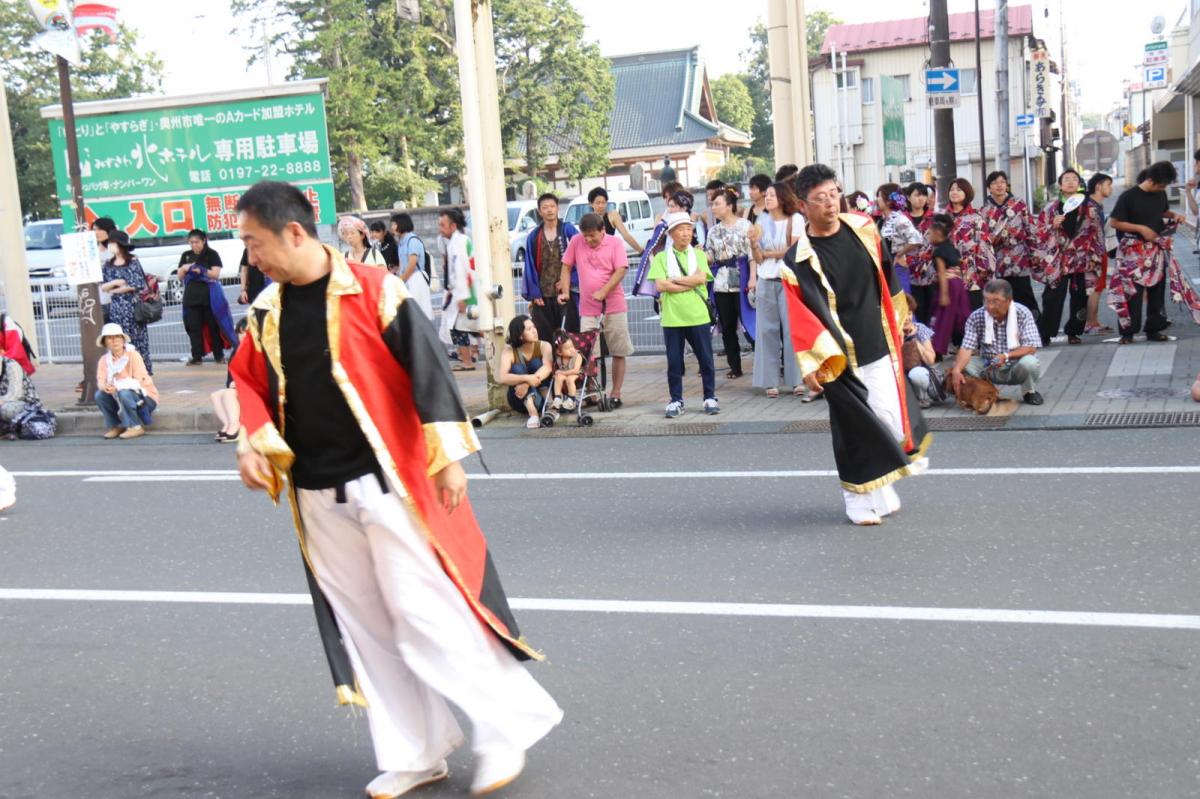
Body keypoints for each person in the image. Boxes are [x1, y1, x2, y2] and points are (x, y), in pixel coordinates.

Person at [230, 181, 562, 797]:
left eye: (254, 242)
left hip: (390, 481)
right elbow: (245, 381)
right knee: (369, 629)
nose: (250, 257)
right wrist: (252, 438)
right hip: (315, 493)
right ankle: (417, 750)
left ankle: (504, 728)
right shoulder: (266, 310)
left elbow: (428, 365)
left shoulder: (374, 289)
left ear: (294, 232)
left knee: (424, 613)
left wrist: (448, 459)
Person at [785, 164, 930, 526]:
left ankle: (879, 488)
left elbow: (886, 273)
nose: (831, 204)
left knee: (888, 420)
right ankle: (856, 498)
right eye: (820, 199)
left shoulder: (865, 228)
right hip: (836, 356)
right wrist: (813, 365)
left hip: (877, 341)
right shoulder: (798, 259)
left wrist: (902, 314)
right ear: (803, 205)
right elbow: (802, 317)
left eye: (834, 194)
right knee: (854, 428)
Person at [1108, 161, 1200, 343]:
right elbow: (1115, 222)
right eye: (1160, 185)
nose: (1162, 189)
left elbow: (1163, 211)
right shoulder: (1128, 197)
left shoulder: (1160, 194)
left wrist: (1174, 215)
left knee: (1157, 291)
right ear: (1150, 180)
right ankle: (1128, 332)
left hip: (1156, 249)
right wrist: (1140, 228)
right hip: (1132, 251)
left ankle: (1154, 329)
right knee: (1132, 292)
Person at [558, 212, 634, 405]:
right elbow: (566, 266)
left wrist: (604, 290)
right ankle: (591, 391)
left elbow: (621, 270)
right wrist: (565, 291)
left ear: (603, 230)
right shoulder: (576, 241)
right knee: (588, 353)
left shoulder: (614, 243)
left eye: (593, 235)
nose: (588, 239)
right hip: (588, 307)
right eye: (586, 235)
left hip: (614, 304)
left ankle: (616, 393)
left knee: (618, 350)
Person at [648, 212, 719, 418]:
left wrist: (675, 281)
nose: (686, 233)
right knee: (674, 361)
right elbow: (661, 285)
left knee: (705, 359)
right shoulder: (662, 257)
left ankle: (710, 396)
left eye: (689, 229)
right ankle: (676, 399)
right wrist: (687, 281)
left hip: (698, 315)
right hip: (672, 318)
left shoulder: (698, 254)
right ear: (671, 233)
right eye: (681, 229)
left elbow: (700, 280)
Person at [1033, 169, 1104, 346]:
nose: (1071, 182)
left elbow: (1097, 231)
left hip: (1082, 258)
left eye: (1074, 179)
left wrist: (1098, 254)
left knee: (1080, 296)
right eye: (1066, 179)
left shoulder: (1090, 206)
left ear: (1079, 184)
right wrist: (1052, 224)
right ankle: (1046, 333)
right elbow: (1039, 232)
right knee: (1053, 297)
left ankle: (1074, 331)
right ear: (1060, 185)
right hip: (1058, 259)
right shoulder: (1050, 208)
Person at [749, 180, 805, 398]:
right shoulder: (761, 221)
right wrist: (754, 244)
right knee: (766, 331)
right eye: (767, 195)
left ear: (782, 197)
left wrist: (768, 253)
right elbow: (757, 257)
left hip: (788, 280)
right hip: (766, 280)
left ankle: (797, 380)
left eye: (771, 195)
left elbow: (793, 251)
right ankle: (769, 381)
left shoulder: (796, 219)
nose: (768, 198)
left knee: (792, 331)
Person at [948, 279, 1043, 405]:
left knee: (1030, 362)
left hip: (1015, 365)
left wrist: (1006, 356)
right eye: (986, 301)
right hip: (988, 365)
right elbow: (966, 347)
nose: (990, 306)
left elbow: (1031, 347)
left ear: (1009, 300)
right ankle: (985, 391)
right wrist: (956, 370)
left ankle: (1029, 391)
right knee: (963, 364)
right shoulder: (977, 316)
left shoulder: (1023, 313)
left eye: (995, 301)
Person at [704, 188, 759, 379]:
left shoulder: (745, 225)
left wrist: (753, 278)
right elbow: (709, 256)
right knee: (727, 326)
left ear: (729, 206)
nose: (713, 208)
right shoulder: (713, 231)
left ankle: (761, 364)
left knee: (750, 323)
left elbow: (752, 255)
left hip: (742, 277)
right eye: (712, 204)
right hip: (721, 283)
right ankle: (735, 366)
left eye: (717, 204)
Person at [522, 193, 580, 342]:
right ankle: (548, 365)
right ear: (539, 211)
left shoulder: (568, 231)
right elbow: (530, 266)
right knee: (544, 337)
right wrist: (535, 293)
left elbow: (581, 260)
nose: (549, 210)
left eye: (552, 206)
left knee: (568, 335)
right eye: (545, 207)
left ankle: (570, 365)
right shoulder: (534, 236)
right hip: (543, 295)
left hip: (566, 293)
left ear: (558, 208)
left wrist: (569, 282)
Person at [982, 171, 1038, 317]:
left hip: (1019, 258)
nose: (999, 185)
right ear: (989, 187)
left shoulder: (1019, 204)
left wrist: (1034, 254)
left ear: (1007, 184)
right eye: (994, 183)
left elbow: (1030, 229)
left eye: (1002, 181)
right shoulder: (985, 211)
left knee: (1025, 296)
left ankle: (1035, 331)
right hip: (998, 261)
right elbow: (983, 238)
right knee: (1001, 299)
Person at [177, 229, 234, 366]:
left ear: (204, 241)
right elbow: (180, 276)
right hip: (191, 296)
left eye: (196, 242)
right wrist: (184, 268)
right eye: (191, 242)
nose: (194, 245)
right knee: (193, 327)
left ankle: (218, 355)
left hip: (209, 296)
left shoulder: (211, 254)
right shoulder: (186, 255)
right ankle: (197, 357)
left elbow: (215, 274)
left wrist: (202, 270)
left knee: (214, 326)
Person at [101, 230, 153, 374]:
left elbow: (137, 284)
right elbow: (105, 286)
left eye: (113, 242)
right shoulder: (108, 264)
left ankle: (142, 372)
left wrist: (117, 287)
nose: (111, 245)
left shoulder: (133, 261)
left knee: (137, 340)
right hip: (116, 308)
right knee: (119, 340)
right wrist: (119, 283)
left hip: (133, 308)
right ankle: (123, 371)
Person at [94, 322, 158, 439]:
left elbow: (138, 382)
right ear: (104, 342)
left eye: (117, 336)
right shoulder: (104, 360)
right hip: (118, 397)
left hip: (144, 398)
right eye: (109, 337)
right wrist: (106, 387)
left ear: (123, 339)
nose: (114, 340)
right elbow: (100, 381)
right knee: (100, 395)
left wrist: (117, 387)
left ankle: (135, 427)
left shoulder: (133, 355)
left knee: (124, 392)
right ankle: (116, 426)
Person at [438, 208, 481, 370]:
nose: (440, 228)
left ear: (453, 226)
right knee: (467, 327)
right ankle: (467, 360)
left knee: (468, 327)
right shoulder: (455, 242)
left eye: (443, 225)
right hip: (461, 291)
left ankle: (468, 361)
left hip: (466, 291)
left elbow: (462, 269)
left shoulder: (459, 242)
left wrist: (463, 296)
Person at [943, 178, 995, 310]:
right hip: (947, 273)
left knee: (971, 313)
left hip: (970, 273)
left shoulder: (976, 218)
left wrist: (983, 270)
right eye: (952, 189)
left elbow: (984, 245)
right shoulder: (942, 217)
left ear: (967, 193)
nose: (954, 192)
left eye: (959, 189)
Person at [927, 214, 971, 356]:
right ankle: (972, 343)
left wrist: (944, 295)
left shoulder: (939, 251)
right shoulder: (952, 248)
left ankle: (937, 350)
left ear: (937, 232)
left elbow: (941, 273)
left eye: (930, 233)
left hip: (948, 285)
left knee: (943, 318)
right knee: (962, 315)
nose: (928, 236)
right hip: (958, 284)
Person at [498, 315, 552, 429]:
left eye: (534, 327)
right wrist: (527, 379)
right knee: (517, 368)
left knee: (536, 363)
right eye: (529, 329)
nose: (534, 331)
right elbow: (502, 377)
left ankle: (545, 408)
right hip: (518, 400)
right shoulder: (509, 350)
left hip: (541, 399)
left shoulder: (544, 345)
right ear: (520, 336)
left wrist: (527, 383)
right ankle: (533, 414)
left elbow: (548, 367)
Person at [1084, 173, 1117, 334]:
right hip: (1092, 253)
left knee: (1097, 287)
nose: (1110, 188)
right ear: (1098, 186)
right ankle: (1091, 323)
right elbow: (1085, 233)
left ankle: (1093, 321)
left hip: (1099, 250)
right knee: (1094, 288)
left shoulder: (1096, 205)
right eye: (1108, 184)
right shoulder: (1089, 206)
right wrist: (1090, 254)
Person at [877, 183, 923, 294]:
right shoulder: (884, 221)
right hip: (887, 265)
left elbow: (917, 239)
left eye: (879, 196)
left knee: (901, 301)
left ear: (888, 201)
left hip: (897, 265)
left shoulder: (899, 218)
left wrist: (900, 254)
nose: (877, 200)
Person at [390, 212, 435, 320]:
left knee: (418, 312)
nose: (392, 227)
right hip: (408, 280)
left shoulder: (412, 240)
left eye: (394, 224)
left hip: (416, 279)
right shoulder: (401, 242)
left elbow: (412, 264)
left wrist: (401, 280)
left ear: (401, 224)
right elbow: (402, 263)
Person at [211, 318, 249, 443]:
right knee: (215, 395)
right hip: (240, 388)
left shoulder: (258, 352)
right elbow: (229, 379)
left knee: (228, 392)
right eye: (240, 332)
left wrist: (239, 384)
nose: (243, 336)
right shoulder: (236, 351)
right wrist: (234, 384)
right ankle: (228, 424)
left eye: (247, 333)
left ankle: (235, 426)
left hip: (255, 390)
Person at [904, 183, 937, 323]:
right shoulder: (901, 219)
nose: (921, 198)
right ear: (908, 197)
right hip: (909, 273)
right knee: (915, 309)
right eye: (917, 195)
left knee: (932, 311)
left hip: (931, 273)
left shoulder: (934, 219)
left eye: (924, 195)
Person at [902, 298, 941, 409]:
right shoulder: (890, 331)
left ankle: (922, 397)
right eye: (902, 314)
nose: (906, 318)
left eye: (909, 313)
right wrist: (900, 337)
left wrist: (915, 342)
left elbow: (930, 360)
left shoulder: (920, 329)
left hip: (920, 370)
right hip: (899, 373)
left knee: (917, 373)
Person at [586, 187, 644, 253]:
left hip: (610, 254)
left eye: (603, 202)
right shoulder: (588, 220)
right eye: (598, 203)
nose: (601, 206)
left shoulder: (613, 215)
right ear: (591, 204)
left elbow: (626, 235)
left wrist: (641, 251)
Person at [0, 354, 45, 435]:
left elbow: (15, 395)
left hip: (24, 403)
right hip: (3, 402)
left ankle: (12, 428)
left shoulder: (12, 365)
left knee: (5, 409)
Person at [551, 332, 582, 411]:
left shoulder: (577, 356)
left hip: (576, 374)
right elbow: (559, 371)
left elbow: (576, 370)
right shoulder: (559, 359)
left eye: (572, 346)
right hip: (565, 374)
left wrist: (562, 373)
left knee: (570, 379)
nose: (572, 350)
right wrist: (558, 374)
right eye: (568, 348)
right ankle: (557, 398)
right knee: (558, 377)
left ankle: (571, 399)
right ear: (559, 352)